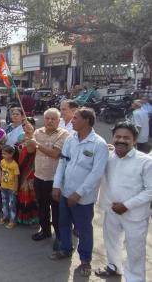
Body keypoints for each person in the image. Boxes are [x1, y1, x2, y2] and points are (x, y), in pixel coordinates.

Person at [51, 108, 109, 277]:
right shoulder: (70, 139)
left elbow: (96, 174)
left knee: (84, 230)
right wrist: (56, 185)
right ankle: (65, 249)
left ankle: (85, 261)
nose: (71, 120)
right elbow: (63, 163)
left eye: (76, 118)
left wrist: (78, 194)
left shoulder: (99, 144)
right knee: (64, 224)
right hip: (65, 192)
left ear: (87, 121)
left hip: (83, 199)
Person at [95, 122, 152, 281]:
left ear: (134, 141)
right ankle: (114, 267)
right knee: (111, 242)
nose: (121, 140)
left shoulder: (145, 161)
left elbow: (150, 190)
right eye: (118, 136)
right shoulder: (108, 157)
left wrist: (126, 205)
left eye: (126, 138)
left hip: (135, 215)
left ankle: (134, 278)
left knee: (135, 251)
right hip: (111, 210)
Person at [26, 108, 69, 251]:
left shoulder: (64, 134)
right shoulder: (38, 132)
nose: (50, 121)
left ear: (59, 120)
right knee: (42, 207)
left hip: (54, 180)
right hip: (39, 176)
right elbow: (31, 150)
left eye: (53, 119)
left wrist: (37, 144)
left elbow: (55, 154)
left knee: (57, 210)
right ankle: (45, 231)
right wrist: (28, 135)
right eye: (47, 118)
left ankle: (60, 237)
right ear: (43, 119)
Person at [16, 117, 39, 225]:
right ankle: (22, 217)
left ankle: (33, 217)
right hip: (21, 166)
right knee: (22, 192)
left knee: (31, 192)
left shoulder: (37, 136)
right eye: (23, 125)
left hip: (31, 168)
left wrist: (31, 137)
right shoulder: (21, 136)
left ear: (33, 125)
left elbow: (32, 151)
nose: (26, 127)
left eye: (28, 124)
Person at [0, 145, 20, 229]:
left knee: (12, 205)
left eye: (5, 154)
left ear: (11, 154)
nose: (3, 155)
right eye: (2, 154)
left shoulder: (14, 165)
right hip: (3, 186)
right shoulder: (2, 162)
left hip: (11, 188)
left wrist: (15, 189)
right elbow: (1, 172)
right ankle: (5, 216)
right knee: (4, 202)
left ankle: (12, 221)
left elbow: (16, 178)